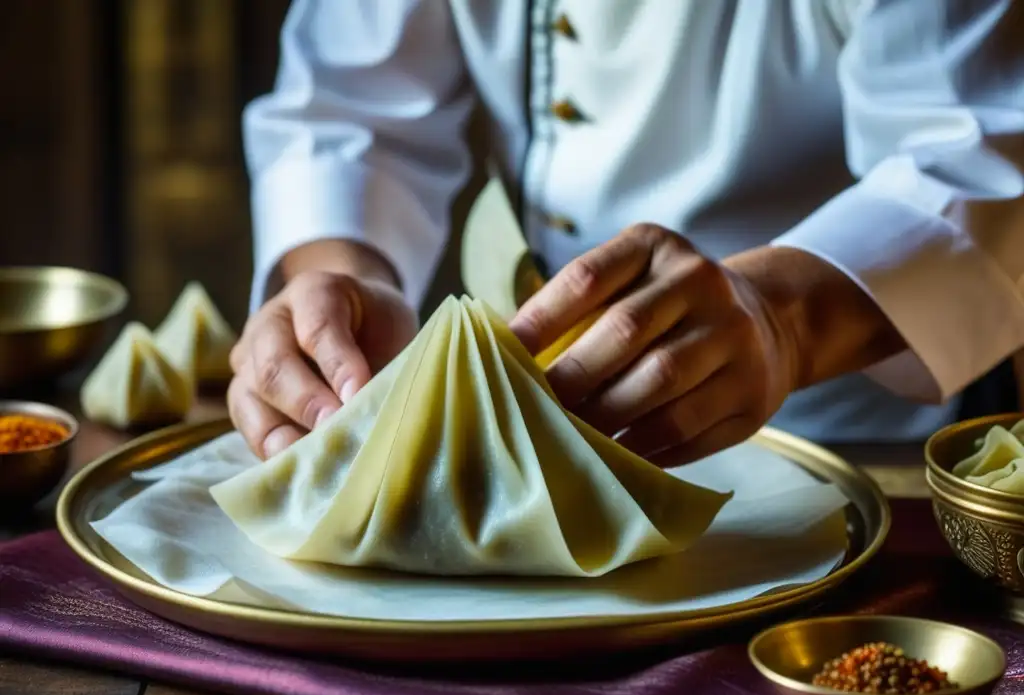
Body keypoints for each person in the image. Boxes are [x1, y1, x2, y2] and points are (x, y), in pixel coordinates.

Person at [229, 0, 1024, 466]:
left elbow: (979, 145)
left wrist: (780, 321)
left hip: (860, 448)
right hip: (545, 452)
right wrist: (331, 286)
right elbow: (354, 108)